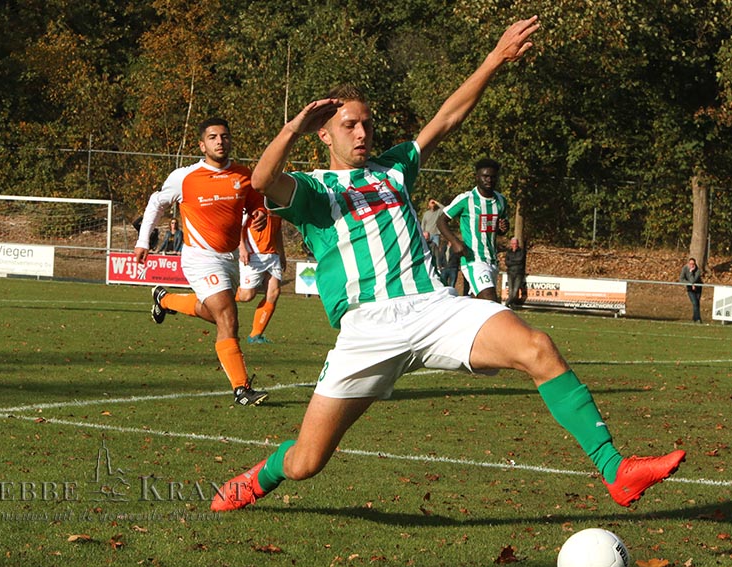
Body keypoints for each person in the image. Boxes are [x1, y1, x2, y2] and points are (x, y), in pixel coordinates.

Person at [211, 16, 684, 513]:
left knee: (538, 348)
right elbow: (261, 180)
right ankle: (260, 476)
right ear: (323, 135)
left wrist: (495, 58)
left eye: (366, 123)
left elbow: (448, 117)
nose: (362, 132)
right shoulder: (313, 189)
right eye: (349, 125)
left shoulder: (394, 169)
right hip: (367, 328)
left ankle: (615, 470)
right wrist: (292, 127)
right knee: (306, 462)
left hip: (434, 308)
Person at [134, 117, 269, 407]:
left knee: (217, 314)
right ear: (202, 145)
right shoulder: (185, 177)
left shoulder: (243, 175)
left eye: (224, 136)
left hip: (230, 259)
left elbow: (256, 206)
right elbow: (156, 203)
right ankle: (241, 389)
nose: (220, 141)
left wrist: (260, 215)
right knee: (228, 317)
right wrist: (143, 241)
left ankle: (165, 299)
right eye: (213, 137)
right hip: (200, 257)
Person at [438, 158, 509, 302]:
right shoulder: (466, 199)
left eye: (493, 177)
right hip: (473, 259)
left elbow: (498, 228)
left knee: (479, 304)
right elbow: (441, 221)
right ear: (477, 177)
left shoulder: (501, 200)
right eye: (485, 176)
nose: (489, 180)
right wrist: (455, 242)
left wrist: (503, 228)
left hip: (492, 260)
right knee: (491, 302)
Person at [236, 210, 286, 344]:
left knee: (274, 293)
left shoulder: (277, 205)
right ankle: (220, 296)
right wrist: (242, 248)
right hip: (254, 256)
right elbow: (239, 226)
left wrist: (281, 253)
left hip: (272, 256)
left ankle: (255, 335)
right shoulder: (253, 204)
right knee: (246, 296)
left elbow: (277, 230)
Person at [420, 198, 445, 269]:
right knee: (427, 250)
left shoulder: (438, 212)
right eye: (431, 203)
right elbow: (423, 224)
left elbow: (444, 209)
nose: (432, 204)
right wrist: (423, 233)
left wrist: (436, 202)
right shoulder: (426, 214)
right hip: (427, 235)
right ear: (428, 205)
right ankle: (428, 265)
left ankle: (437, 266)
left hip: (436, 235)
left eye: (433, 203)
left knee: (436, 252)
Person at [504, 237, 527, 308]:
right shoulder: (508, 252)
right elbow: (506, 262)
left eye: (515, 243)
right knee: (510, 291)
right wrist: (515, 262)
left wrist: (511, 261)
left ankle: (506, 303)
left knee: (515, 291)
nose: (514, 245)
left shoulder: (521, 251)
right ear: (511, 244)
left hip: (518, 273)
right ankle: (511, 305)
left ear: (518, 244)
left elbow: (520, 260)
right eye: (513, 243)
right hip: (510, 273)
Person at [679, 257, 703, 323]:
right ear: (688, 264)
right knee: (695, 302)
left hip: (698, 288)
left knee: (697, 303)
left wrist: (691, 272)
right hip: (690, 289)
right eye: (690, 264)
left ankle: (695, 318)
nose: (692, 265)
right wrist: (690, 284)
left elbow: (694, 280)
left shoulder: (698, 270)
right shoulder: (685, 268)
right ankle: (698, 318)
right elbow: (681, 279)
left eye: (693, 264)